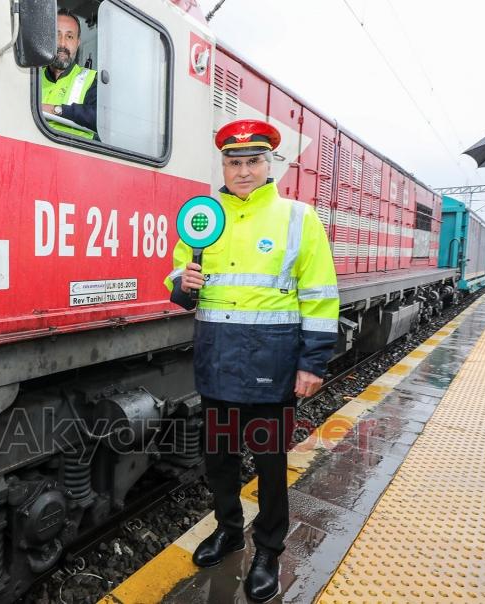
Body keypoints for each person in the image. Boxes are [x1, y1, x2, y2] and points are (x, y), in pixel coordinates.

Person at [163, 119, 339, 602]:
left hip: (271, 366)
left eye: (253, 161)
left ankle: (268, 551)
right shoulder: (203, 215)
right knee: (219, 459)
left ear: (269, 164)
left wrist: (312, 364)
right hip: (218, 360)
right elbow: (179, 278)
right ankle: (227, 531)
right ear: (223, 166)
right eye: (234, 162)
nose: (243, 171)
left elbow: (320, 296)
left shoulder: (298, 218)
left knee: (270, 463)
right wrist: (182, 285)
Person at [40, 8, 97, 139]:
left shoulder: (92, 79)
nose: (62, 43)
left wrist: (55, 110)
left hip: (73, 151)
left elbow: (101, 118)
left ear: (78, 43)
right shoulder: (31, 77)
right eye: (57, 34)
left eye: (69, 37)